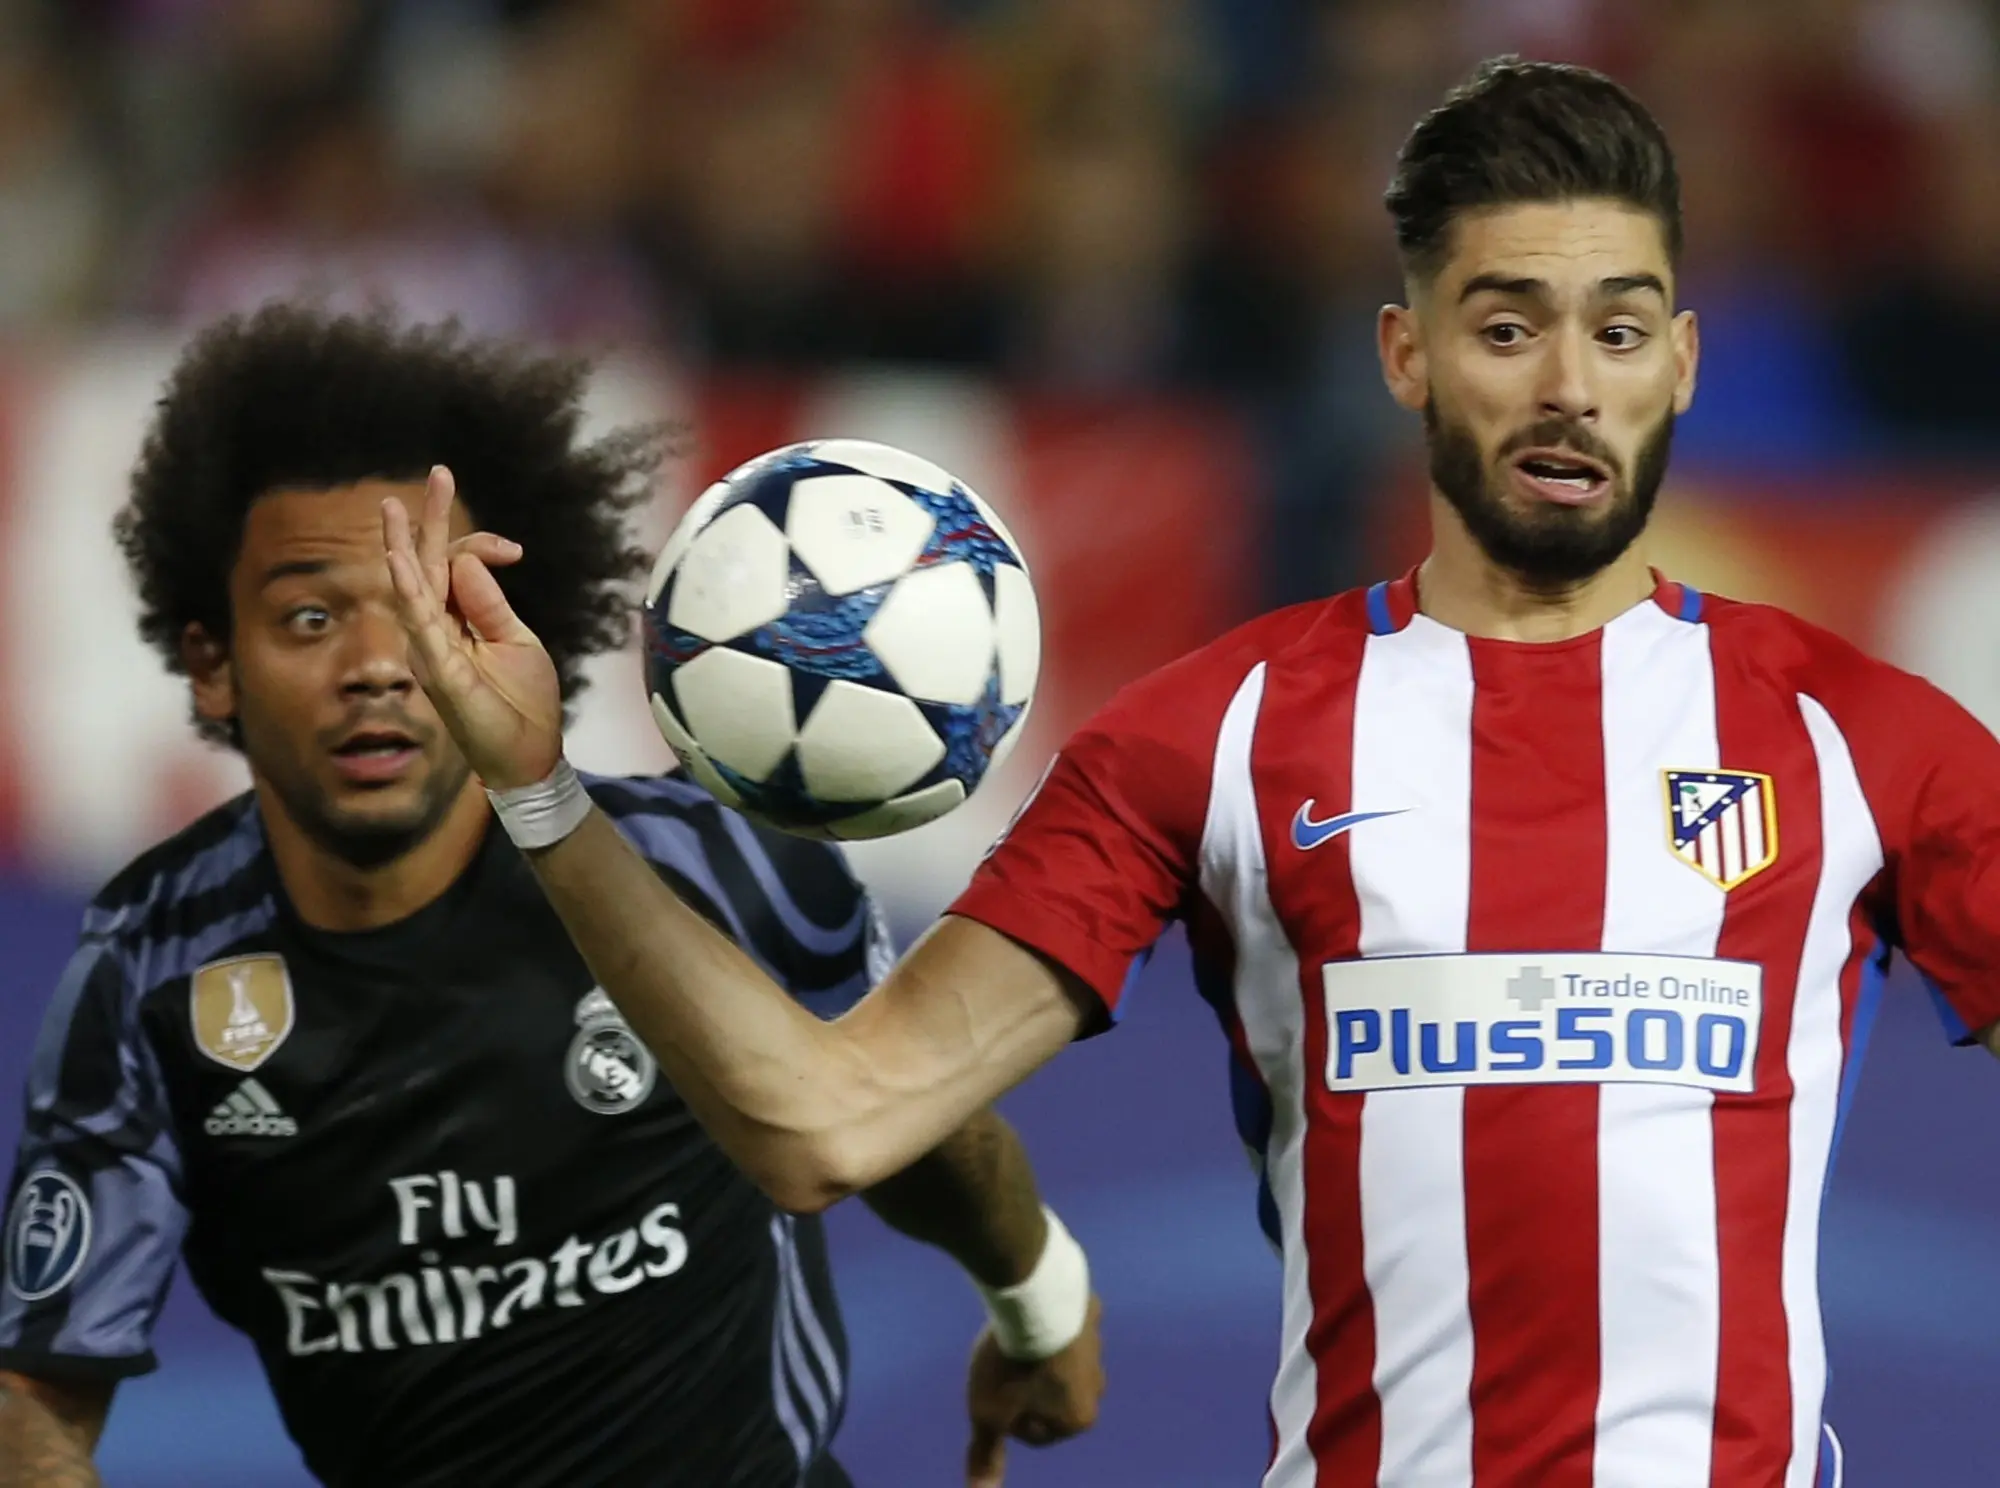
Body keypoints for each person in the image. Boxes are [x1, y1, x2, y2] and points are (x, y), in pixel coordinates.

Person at [372, 56, 1992, 1488]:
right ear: (1406, 353)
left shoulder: (1859, 735)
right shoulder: (1207, 733)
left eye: (1620, 329)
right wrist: (541, 794)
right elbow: (826, 1119)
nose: (1569, 382)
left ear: (1684, 364)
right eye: (1507, 324)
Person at [0, 306, 1105, 1488]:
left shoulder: (711, 870)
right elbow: (39, 1403)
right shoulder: (151, 973)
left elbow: (908, 1129)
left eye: (429, 610)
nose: (379, 666)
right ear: (214, 661)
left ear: (506, 629)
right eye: (311, 617)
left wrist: (1041, 1301)